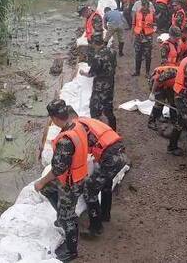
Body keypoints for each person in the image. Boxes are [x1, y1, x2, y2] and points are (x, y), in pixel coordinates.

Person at [34, 100, 88, 261]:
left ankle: (72, 251)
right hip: (77, 176)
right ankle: (62, 213)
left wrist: (41, 181)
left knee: (68, 217)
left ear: (54, 118)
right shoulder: (77, 125)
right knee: (49, 189)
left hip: (71, 182)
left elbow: (58, 170)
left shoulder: (66, 140)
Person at [70, 109, 128, 238]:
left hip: (110, 158)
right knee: (106, 183)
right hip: (119, 152)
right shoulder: (86, 121)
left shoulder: (78, 127)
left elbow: (79, 153)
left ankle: (95, 228)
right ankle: (105, 215)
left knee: (89, 190)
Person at [80, 33, 117, 130]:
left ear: (94, 43)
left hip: (99, 88)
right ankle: (113, 130)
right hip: (110, 85)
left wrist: (83, 73)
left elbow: (91, 74)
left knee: (94, 111)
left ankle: (98, 132)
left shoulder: (98, 58)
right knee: (109, 110)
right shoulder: (112, 51)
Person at [148, 65, 178, 131]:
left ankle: (174, 121)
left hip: (168, 84)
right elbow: (157, 80)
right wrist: (152, 93)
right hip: (157, 82)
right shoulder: (172, 72)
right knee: (159, 102)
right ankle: (151, 121)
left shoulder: (184, 78)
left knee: (173, 102)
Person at [132, 0, 156, 77]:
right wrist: (133, 33)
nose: (145, 7)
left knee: (148, 55)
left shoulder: (152, 14)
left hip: (148, 36)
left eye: (146, 5)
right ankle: (137, 71)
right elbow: (134, 23)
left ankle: (147, 72)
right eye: (144, 5)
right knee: (138, 54)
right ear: (142, 5)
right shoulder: (137, 13)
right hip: (138, 36)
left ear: (148, 6)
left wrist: (152, 27)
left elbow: (155, 26)